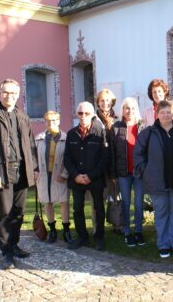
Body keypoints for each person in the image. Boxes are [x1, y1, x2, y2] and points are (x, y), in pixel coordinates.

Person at [0, 78, 38, 270]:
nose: (9, 96)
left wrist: (34, 170)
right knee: (4, 212)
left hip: (22, 171)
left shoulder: (23, 117)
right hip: (1, 172)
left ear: (18, 95)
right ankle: (7, 252)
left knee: (18, 212)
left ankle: (15, 244)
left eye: (12, 93)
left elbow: (31, 146)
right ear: (0, 92)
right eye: (5, 92)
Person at [133, 100, 173, 259]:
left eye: (168, 112)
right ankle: (163, 244)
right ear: (157, 114)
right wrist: (146, 171)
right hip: (157, 182)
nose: (166, 115)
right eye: (162, 112)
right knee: (161, 213)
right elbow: (138, 154)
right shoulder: (148, 132)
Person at [64, 102, 109, 251]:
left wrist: (90, 175)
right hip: (77, 179)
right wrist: (76, 175)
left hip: (94, 178)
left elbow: (104, 158)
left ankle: (99, 238)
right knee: (77, 208)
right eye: (80, 113)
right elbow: (67, 158)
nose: (83, 116)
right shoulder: (71, 134)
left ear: (92, 115)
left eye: (87, 113)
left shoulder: (100, 133)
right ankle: (82, 237)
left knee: (98, 209)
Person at [110, 97, 147, 247]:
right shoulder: (116, 127)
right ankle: (127, 231)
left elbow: (147, 150)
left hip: (138, 172)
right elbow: (112, 152)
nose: (129, 111)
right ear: (122, 110)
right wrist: (113, 174)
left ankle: (138, 231)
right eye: (126, 108)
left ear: (136, 109)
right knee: (126, 202)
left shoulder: (142, 126)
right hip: (123, 172)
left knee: (139, 203)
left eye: (132, 108)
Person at [34, 110, 72, 244]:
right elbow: (33, 157)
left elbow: (70, 158)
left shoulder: (66, 138)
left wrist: (64, 174)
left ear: (59, 121)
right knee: (47, 202)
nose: (51, 123)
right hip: (44, 175)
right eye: (48, 121)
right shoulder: (39, 138)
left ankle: (66, 230)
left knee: (63, 202)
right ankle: (52, 230)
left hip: (59, 175)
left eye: (54, 120)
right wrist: (35, 170)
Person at [95, 89, 121, 234]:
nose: (105, 103)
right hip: (98, 164)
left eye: (108, 100)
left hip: (114, 162)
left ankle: (117, 224)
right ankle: (98, 228)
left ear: (112, 102)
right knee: (100, 197)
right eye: (102, 100)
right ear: (98, 102)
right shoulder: (94, 119)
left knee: (115, 195)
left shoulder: (117, 119)